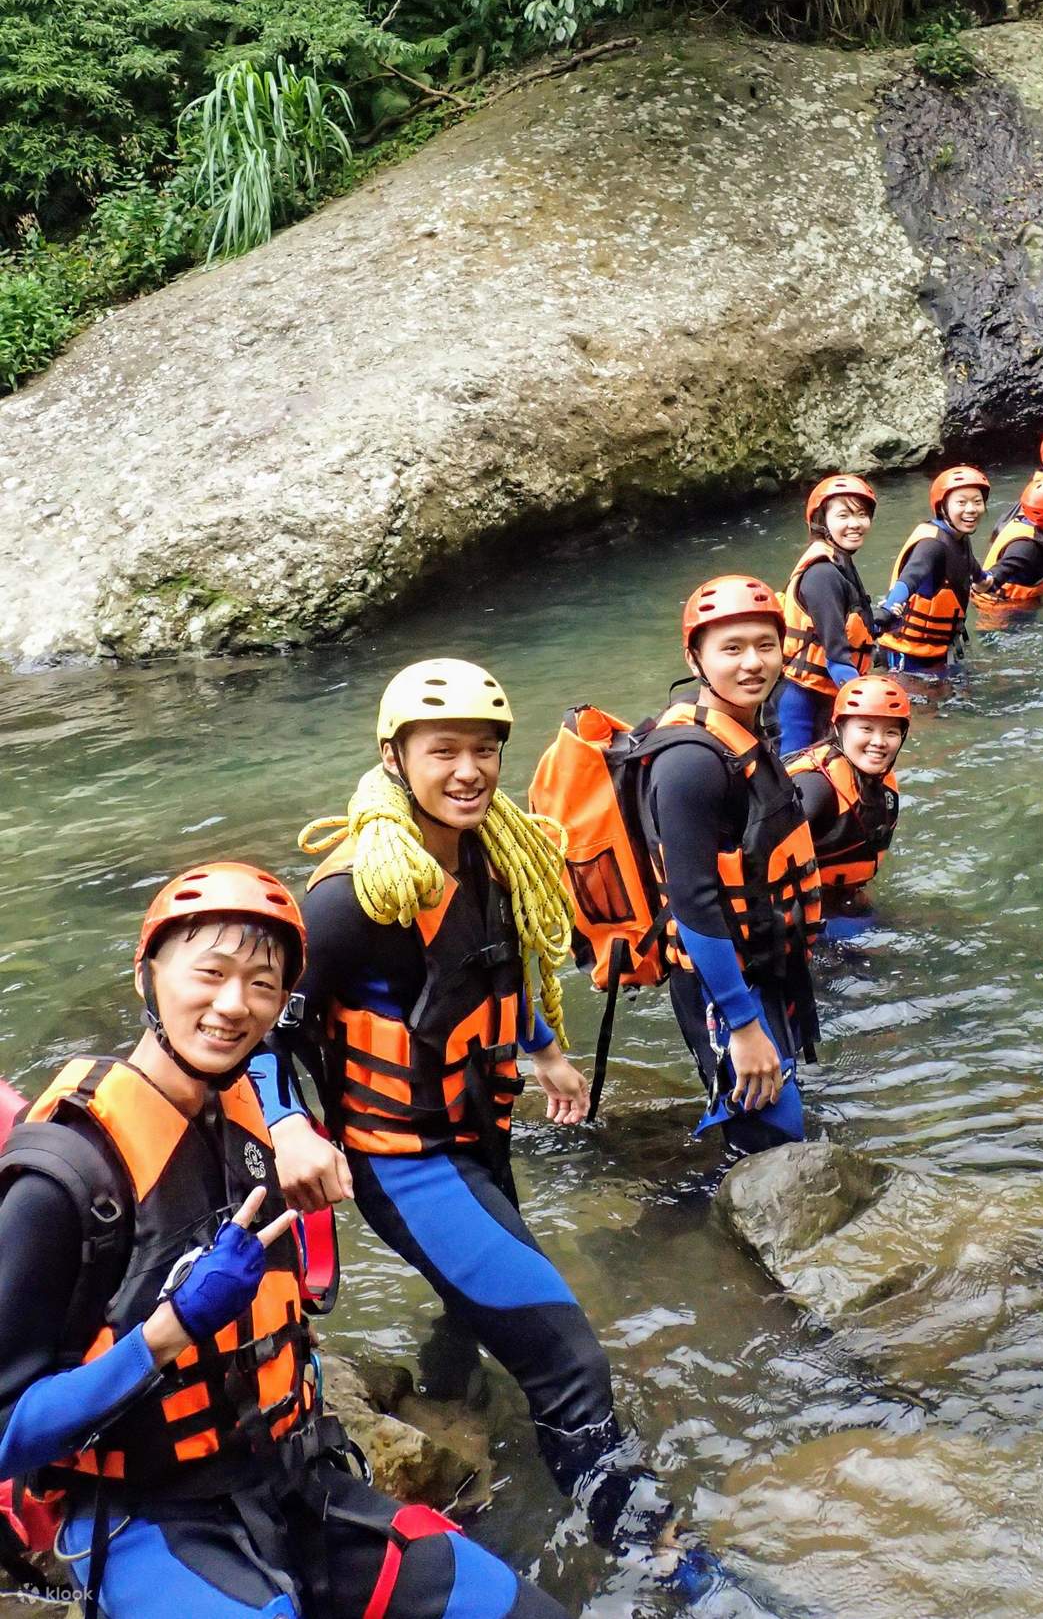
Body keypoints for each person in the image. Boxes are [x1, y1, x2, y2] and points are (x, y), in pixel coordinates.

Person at [0, 862, 566, 1619]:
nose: (233, 1006)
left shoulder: (250, 1127)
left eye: (262, 986)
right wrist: (169, 1331)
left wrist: (295, 1128)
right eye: (210, 974)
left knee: (517, 1609)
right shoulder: (62, 1176)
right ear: (147, 977)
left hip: (298, 1483)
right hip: (153, 1516)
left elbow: (264, 1077)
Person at [248, 661, 668, 1557]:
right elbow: (258, 1032)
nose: (469, 770)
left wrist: (546, 1051)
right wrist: (288, 1126)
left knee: (477, 1292)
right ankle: (662, 1561)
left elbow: (501, 970)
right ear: (397, 760)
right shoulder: (347, 899)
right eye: (444, 752)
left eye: (484, 750)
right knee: (569, 1365)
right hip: (404, 1159)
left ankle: (447, 1394)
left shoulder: (497, 853)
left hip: (479, 1130)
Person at [637, 576, 821, 1156]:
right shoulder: (690, 761)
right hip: (722, 986)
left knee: (775, 1124)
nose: (752, 664)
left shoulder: (744, 732)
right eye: (731, 648)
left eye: (765, 645)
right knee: (769, 1136)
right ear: (695, 658)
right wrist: (742, 1024)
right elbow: (693, 903)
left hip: (759, 964)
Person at [786, 675, 908, 943]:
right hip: (802, 919)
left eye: (891, 732)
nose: (879, 741)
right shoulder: (816, 787)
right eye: (866, 729)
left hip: (841, 903)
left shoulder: (878, 783)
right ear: (839, 729)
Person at [777, 473, 877, 756]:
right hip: (800, 700)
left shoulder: (839, 563)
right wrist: (868, 707)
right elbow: (836, 657)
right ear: (821, 522)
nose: (855, 524)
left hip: (821, 692)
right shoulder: (822, 573)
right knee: (795, 773)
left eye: (861, 515)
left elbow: (854, 622)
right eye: (843, 515)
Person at [873, 466, 992, 675]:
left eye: (977, 501)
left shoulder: (960, 539)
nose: (971, 509)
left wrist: (987, 581)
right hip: (907, 656)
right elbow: (910, 577)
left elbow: (973, 570)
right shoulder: (932, 545)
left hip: (939, 651)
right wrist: (888, 610)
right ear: (942, 507)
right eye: (961, 502)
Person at [971, 472, 1043, 621]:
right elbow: (997, 574)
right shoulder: (1027, 548)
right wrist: (985, 581)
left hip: (1017, 603)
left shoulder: (1028, 519)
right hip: (1003, 613)